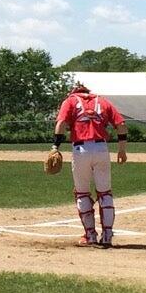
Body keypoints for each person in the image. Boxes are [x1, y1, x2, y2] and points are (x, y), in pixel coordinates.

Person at [51, 81, 127, 247]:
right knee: (105, 193)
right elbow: (121, 125)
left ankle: (90, 235)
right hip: (102, 149)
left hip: (81, 150)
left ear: (74, 92)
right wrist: (122, 150)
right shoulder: (102, 101)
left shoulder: (70, 100)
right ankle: (107, 236)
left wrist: (55, 147)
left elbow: (61, 124)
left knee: (82, 193)